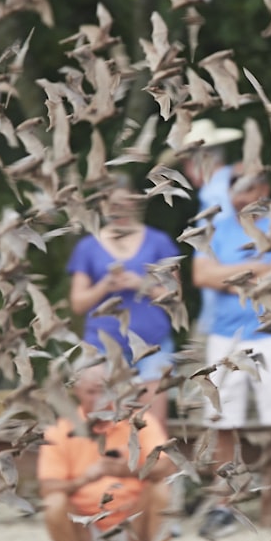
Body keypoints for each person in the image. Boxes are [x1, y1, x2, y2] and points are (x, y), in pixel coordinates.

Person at [191, 170, 271, 539]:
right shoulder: (214, 225)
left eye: (246, 189)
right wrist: (254, 271)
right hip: (222, 336)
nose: (239, 198)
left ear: (263, 190)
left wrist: (228, 274)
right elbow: (201, 276)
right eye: (234, 190)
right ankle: (223, 506)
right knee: (222, 423)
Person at [38, 363, 177, 541]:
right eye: (92, 391)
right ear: (77, 392)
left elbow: (166, 468)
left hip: (132, 527)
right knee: (54, 503)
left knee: (162, 489)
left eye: (107, 390)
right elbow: (48, 487)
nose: (101, 398)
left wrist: (123, 469)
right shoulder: (59, 430)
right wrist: (83, 480)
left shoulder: (141, 422)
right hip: (86, 533)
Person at [68, 172, 180, 431]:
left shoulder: (159, 241)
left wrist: (141, 284)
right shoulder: (88, 246)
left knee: (152, 425)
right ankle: (110, 470)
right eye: (112, 204)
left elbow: (175, 298)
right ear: (101, 205)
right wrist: (105, 285)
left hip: (153, 346)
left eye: (124, 202)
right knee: (106, 422)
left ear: (134, 201)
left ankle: (153, 471)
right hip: (104, 347)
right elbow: (78, 303)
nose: (119, 209)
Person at [178, 119, 243, 338]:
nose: (186, 172)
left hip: (228, 315)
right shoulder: (235, 186)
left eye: (187, 163)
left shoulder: (215, 194)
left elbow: (223, 254)